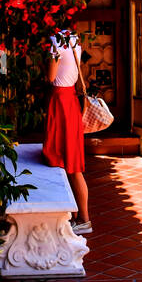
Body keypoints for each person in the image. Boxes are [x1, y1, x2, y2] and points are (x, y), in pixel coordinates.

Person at [43, 32, 91, 235]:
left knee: (67, 162)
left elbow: (51, 77)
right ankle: (81, 217)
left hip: (61, 102)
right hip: (70, 100)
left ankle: (84, 219)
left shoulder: (55, 43)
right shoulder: (75, 41)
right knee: (72, 162)